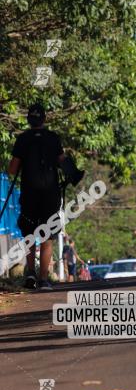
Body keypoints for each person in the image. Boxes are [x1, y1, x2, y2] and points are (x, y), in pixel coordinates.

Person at [8, 103, 67, 291]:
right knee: (48, 236)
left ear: (28, 119)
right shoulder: (53, 138)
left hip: (30, 193)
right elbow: (63, 163)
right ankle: (44, 279)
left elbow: (12, 169)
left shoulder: (23, 139)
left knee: (29, 233)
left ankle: (31, 274)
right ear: (44, 119)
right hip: (50, 194)